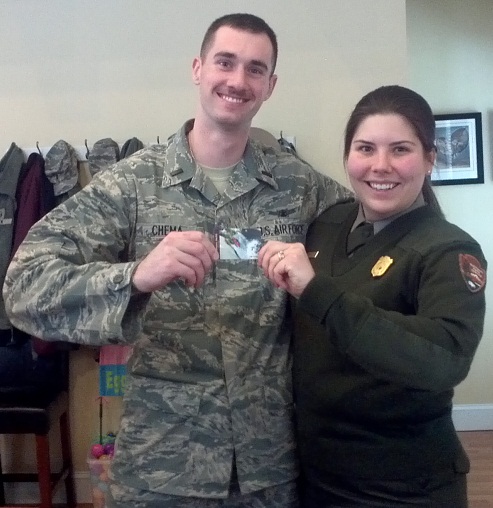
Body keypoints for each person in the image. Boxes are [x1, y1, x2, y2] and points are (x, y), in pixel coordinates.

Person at [3, 13, 351, 508]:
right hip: (162, 471)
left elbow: (374, 234)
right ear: (197, 68)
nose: (237, 80)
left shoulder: (299, 187)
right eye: (225, 62)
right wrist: (135, 277)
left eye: (255, 69)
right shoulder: (133, 185)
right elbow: (23, 288)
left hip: (270, 471)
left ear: (271, 85)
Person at [258, 85, 487, 507]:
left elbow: (444, 359)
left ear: (430, 159)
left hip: (400, 488)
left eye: (400, 149)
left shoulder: (448, 250)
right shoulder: (328, 223)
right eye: (365, 148)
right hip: (315, 476)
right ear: (347, 157)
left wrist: (317, 291)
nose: (381, 166)